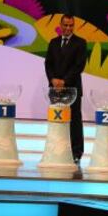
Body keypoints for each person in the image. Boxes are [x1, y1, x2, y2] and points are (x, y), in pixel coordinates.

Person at [45, 14, 87, 165]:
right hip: (55, 89)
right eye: (66, 25)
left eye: (71, 26)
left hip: (72, 89)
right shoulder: (53, 42)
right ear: (61, 25)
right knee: (57, 120)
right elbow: (48, 63)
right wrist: (53, 80)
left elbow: (79, 66)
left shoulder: (80, 43)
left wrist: (64, 81)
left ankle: (76, 152)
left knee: (74, 120)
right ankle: (56, 149)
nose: (68, 28)